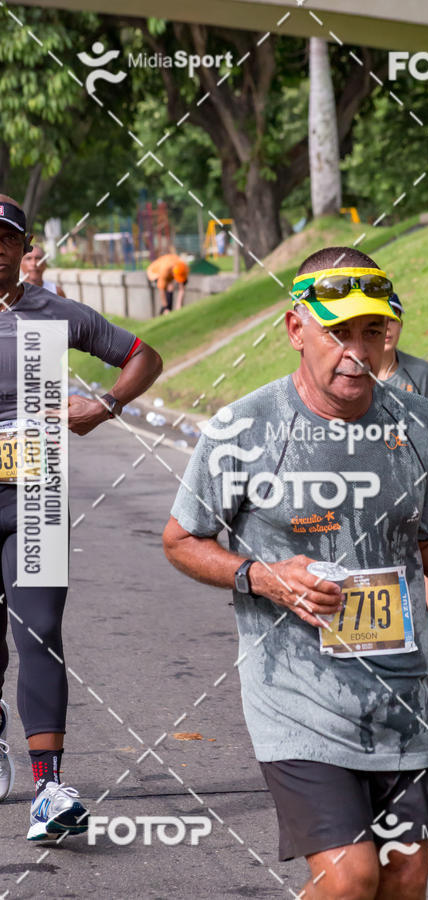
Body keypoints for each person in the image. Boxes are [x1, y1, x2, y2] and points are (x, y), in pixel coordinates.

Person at [163, 246, 428, 899]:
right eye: (338, 332)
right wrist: (262, 576)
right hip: (296, 696)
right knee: (350, 878)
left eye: (372, 332)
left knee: (405, 875)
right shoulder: (243, 430)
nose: (357, 351)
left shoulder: (418, 426)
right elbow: (182, 539)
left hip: (405, 695)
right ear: (297, 329)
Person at [0, 195, 163, 841]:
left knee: (39, 630)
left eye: (6, 238)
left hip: (35, 494)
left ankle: (48, 788)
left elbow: (144, 355)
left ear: (23, 248)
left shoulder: (53, 314)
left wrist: (107, 405)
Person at [375, 295, 428, 628]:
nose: (387, 329)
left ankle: (421, 640)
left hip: (416, 483)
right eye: (380, 322)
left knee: (424, 554)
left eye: (393, 320)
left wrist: (417, 447)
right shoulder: (353, 371)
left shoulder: (419, 373)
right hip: (369, 487)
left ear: (401, 325)